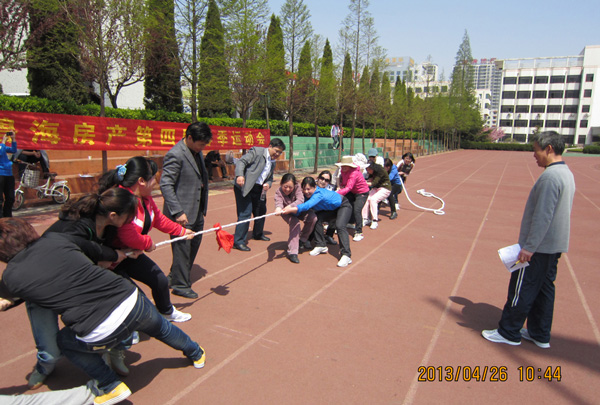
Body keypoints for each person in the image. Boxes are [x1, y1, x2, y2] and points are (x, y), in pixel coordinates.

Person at [0, 218, 206, 405]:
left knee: (65, 341)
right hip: (132, 300)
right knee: (162, 328)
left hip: (98, 328)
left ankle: (110, 385)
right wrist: (118, 255)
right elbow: (93, 249)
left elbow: (12, 297)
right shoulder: (55, 239)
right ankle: (196, 352)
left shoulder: (11, 278)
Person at [15, 188, 140, 389]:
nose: (132, 220)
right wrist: (106, 257)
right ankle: (44, 367)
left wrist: (119, 254)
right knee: (51, 353)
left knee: (116, 309)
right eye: (130, 216)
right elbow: (78, 254)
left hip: (74, 286)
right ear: (113, 215)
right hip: (43, 287)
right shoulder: (73, 228)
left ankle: (115, 350)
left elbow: (98, 255)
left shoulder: (109, 228)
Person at [482, 131, 575, 348]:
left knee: (522, 287)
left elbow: (543, 216)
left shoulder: (550, 177)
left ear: (549, 149)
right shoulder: (565, 173)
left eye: (536, 150)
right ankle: (539, 333)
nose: (534, 155)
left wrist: (529, 247)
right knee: (544, 290)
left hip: (539, 247)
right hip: (553, 245)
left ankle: (508, 332)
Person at [99, 157, 194, 321]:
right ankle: (129, 327)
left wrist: (181, 231)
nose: (156, 183)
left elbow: (158, 219)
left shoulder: (146, 198)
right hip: (110, 258)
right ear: (141, 181)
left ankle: (166, 311)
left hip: (130, 253)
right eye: (153, 178)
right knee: (135, 297)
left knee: (159, 280)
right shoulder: (122, 200)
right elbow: (127, 234)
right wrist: (147, 243)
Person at [160, 122, 212, 299]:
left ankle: (174, 276)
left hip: (196, 209)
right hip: (181, 213)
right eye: (200, 144)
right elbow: (166, 184)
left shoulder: (197, 152)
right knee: (182, 248)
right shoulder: (175, 154)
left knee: (193, 246)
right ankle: (180, 285)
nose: (202, 148)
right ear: (189, 138)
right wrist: (177, 211)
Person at [281, 177, 353, 268]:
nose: (306, 191)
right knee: (316, 218)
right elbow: (300, 203)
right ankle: (321, 244)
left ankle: (346, 255)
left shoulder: (318, 194)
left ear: (315, 187)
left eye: (309, 189)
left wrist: (291, 209)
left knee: (340, 226)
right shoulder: (305, 195)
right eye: (304, 189)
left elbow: (307, 205)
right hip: (331, 210)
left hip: (343, 206)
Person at [232, 138, 285, 251]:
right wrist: (240, 175)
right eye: (276, 151)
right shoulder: (257, 152)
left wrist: (268, 184)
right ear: (270, 146)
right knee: (245, 213)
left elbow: (270, 177)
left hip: (259, 189)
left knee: (261, 210)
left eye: (280, 153)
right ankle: (238, 241)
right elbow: (241, 162)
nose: (277, 154)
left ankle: (258, 234)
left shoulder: (272, 162)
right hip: (245, 186)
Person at [274, 173, 317, 264]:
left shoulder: (298, 188)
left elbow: (300, 200)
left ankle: (302, 240)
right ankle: (292, 252)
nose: (287, 189)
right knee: (295, 224)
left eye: (290, 187)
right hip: (286, 212)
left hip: (298, 209)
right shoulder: (278, 192)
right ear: (281, 184)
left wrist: (290, 206)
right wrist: (278, 209)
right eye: (285, 186)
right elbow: (279, 203)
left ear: (295, 185)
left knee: (313, 218)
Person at [335, 156, 370, 242]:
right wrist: (340, 186)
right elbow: (344, 183)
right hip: (352, 191)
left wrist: (336, 194)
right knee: (345, 204)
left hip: (362, 193)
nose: (343, 167)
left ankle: (359, 232)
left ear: (350, 166)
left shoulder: (354, 173)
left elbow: (349, 187)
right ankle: (349, 222)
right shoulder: (343, 171)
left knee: (357, 210)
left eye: (345, 166)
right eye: (342, 166)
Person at [362, 161, 392, 230]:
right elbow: (371, 180)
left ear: (372, 168)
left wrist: (362, 182)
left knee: (373, 199)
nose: (367, 171)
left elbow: (373, 183)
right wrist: (368, 180)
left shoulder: (381, 171)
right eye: (367, 169)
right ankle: (365, 218)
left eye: (369, 169)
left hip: (385, 188)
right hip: (376, 188)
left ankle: (375, 220)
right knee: (367, 199)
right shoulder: (372, 172)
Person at [0, 131, 16, 218]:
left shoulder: (2, 146)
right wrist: (3, 141)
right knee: (0, 199)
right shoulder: (1, 146)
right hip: (0, 174)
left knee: (10, 197)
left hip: (9, 174)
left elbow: (13, 150)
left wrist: (13, 139)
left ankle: (7, 215)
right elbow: (0, 152)